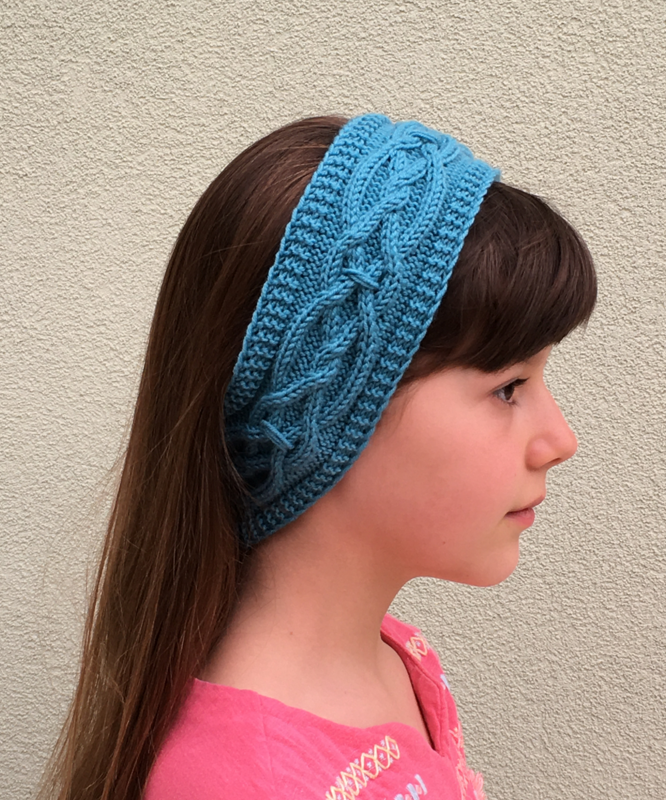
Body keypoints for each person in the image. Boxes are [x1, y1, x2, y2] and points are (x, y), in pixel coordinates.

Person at [40, 112, 596, 800]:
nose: (560, 440)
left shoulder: (395, 656)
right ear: (328, 414)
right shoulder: (241, 784)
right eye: (509, 387)